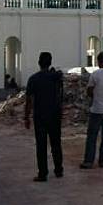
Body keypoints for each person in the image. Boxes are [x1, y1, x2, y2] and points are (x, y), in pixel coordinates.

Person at [25, 52, 64, 182]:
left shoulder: (33, 79)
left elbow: (29, 101)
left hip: (40, 116)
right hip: (54, 115)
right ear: (50, 62)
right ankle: (58, 170)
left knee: (41, 146)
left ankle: (43, 173)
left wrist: (27, 117)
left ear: (39, 62)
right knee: (56, 143)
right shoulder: (56, 77)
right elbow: (60, 94)